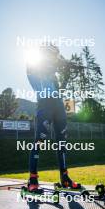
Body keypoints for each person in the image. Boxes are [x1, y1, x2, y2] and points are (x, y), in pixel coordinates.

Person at [26, 43, 81, 193]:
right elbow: (44, 68)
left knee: (62, 142)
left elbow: (60, 88)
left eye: (56, 55)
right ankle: (32, 178)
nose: (55, 57)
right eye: (53, 54)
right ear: (45, 53)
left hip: (58, 106)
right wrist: (62, 64)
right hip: (45, 105)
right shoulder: (33, 64)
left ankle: (64, 177)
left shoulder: (53, 73)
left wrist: (69, 72)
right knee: (39, 140)